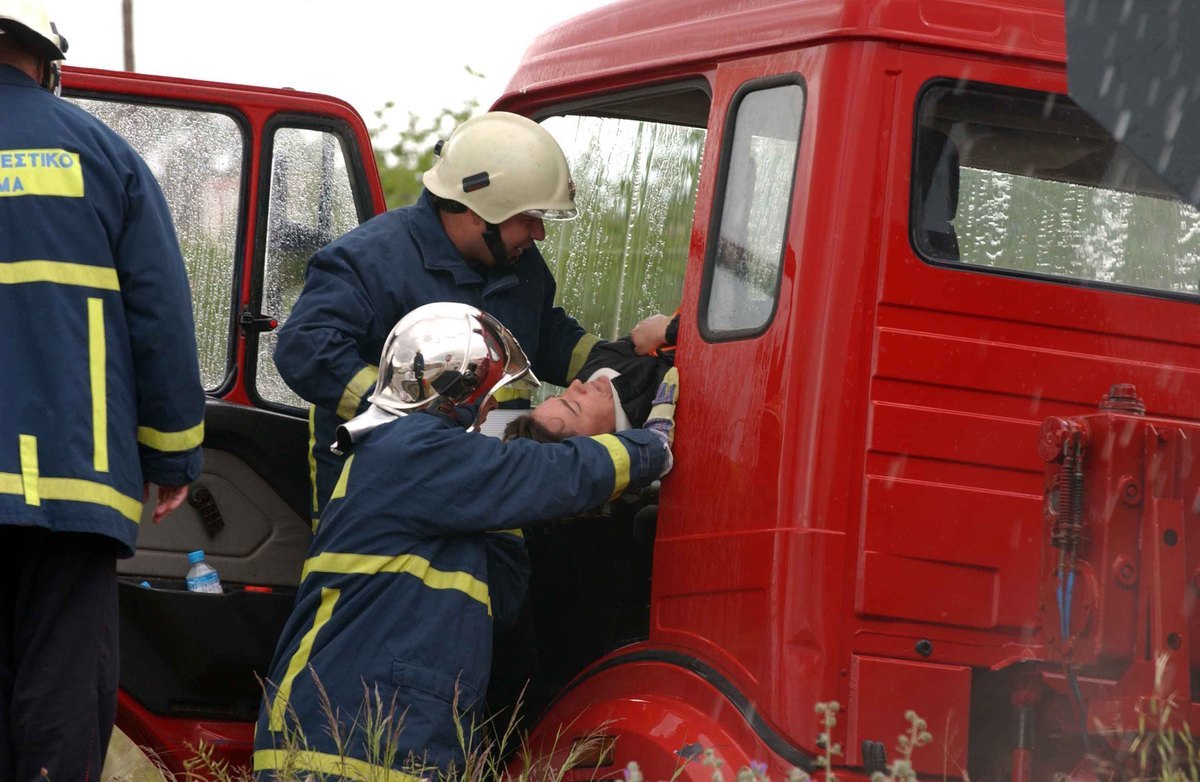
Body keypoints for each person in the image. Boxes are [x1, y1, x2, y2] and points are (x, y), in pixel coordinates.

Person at [253, 303, 678, 779]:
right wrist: (649, 448)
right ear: (460, 396)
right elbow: (541, 474)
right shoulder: (411, 451)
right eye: (492, 394)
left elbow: (505, 596)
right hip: (341, 746)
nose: (493, 408)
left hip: (390, 747)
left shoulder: (440, 479)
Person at [0, 5, 206, 780]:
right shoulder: (101, 153)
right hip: (74, 483)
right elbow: (160, 314)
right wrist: (175, 452)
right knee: (59, 693)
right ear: (49, 63)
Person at [273, 111, 606, 530]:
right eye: (529, 217)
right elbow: (305, 349)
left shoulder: (518, 264)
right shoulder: (370, 259)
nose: (538, 233)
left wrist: (621, 362)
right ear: (480, 210)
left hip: (495, 496)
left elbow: (546, 334)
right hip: (383, 506)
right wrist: (408, 417)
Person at [506, 311, 681, 442]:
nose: (575, 385)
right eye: (575, 405)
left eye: (561, 395)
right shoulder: (678, 424)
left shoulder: (597, 363)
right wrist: (671, 329)